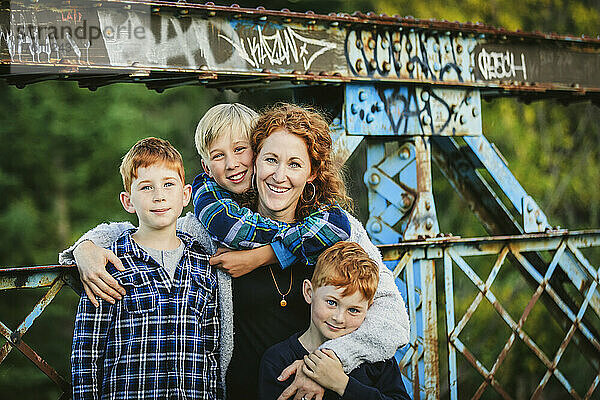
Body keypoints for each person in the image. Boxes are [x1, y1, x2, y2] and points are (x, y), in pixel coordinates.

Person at [60, 103, 410, 400]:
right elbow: (148, 231)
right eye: (271, 160)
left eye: (294, 165)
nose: (279, 175)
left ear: (311, 174)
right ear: (257, 162)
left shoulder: (336, 231)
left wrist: (326, 364)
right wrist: (85, 247)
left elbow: (393, 321)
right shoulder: (217, 229)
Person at [71, 137, 224, 399]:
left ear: (185, 195)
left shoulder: (202, 263)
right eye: (146, 187)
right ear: (128, 201)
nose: (159, 195)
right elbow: (86, 351)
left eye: (168, 184)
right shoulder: (109, 264)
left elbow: (211, 349)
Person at [259, 241, 411, 400]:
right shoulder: (279, 360)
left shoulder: (376, 356)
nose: (339, 318)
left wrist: (341, 384)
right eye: (331, 302)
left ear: (368, 308)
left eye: (353, 310)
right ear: (309, 292)